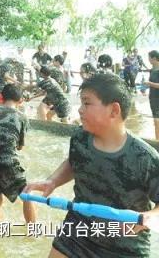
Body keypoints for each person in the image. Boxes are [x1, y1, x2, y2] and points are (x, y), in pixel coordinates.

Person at [25, 73, 159, 258]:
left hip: (124, 245)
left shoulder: (145, 157)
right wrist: (53, 181)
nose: (80, 110)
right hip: (77, 231)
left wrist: (148, 218)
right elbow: (75, 161)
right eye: (81, 103)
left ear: (114, 110)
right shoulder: (80, 138)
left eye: (87, 103)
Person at [0, 83, 35, 223]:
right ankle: (33, 230)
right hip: (9, 162)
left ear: (1, 97)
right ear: (20, 100)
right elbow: (20, 146)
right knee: (26, 194)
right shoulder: (22, 117)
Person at [142, 50, 159, 140]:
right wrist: (144, 88)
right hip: (153, 99)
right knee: (156, 122)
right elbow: (151, 83)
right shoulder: (152, 70)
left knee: (157, 121)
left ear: (154, 58)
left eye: (149, 58)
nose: (148, 60)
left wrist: (149, 83)